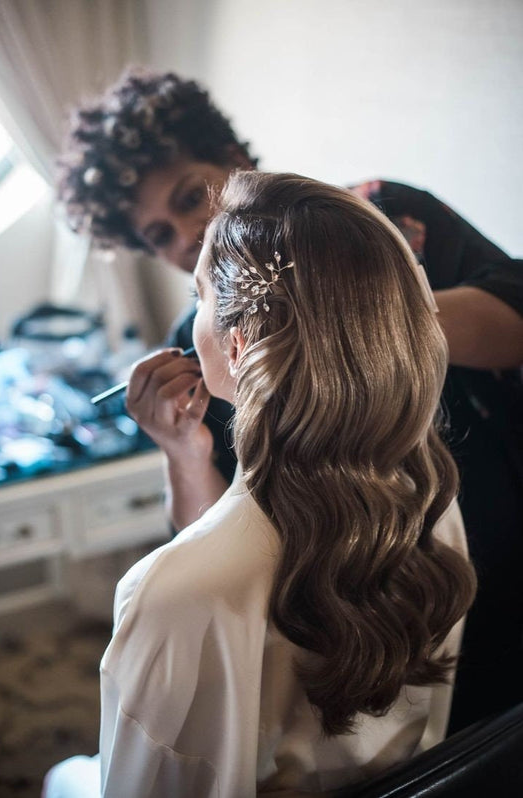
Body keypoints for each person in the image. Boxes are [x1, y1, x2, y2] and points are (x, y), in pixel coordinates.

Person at [57, 68, 523, 732]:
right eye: (158, 235)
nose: (185, 234)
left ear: (235, 161)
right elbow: (216, 551)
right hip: (358, 625)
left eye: (189, 198)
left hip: (494, 546)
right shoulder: (206, 346)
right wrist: (182, 452)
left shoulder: (391, 222)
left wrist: (350, 305)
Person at [45, 171, 476, 797]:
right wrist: (185, 453)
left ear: (240, 346)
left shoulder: (169, 592)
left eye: (198, 297)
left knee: (61, 779)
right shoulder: (434, 502)